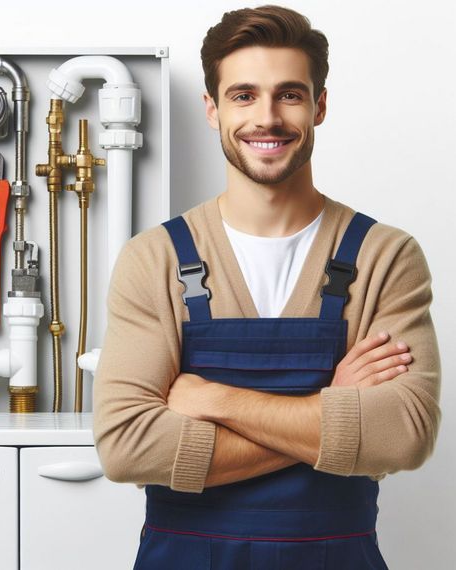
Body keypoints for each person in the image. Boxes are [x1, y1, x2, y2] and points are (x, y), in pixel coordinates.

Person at [93, 5, 441, 569]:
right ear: (213, 109)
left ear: (319, 106)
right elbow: (128, 446)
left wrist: (217, 400)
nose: (268, 118)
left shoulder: (385, 256)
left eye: (290, 94)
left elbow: (403, 434)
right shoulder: (153, 259)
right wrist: (329, 406)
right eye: (244, 95)